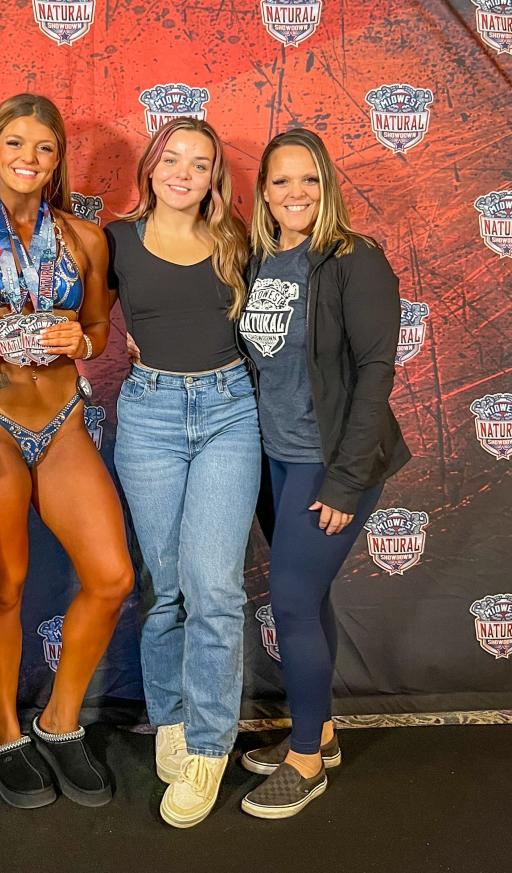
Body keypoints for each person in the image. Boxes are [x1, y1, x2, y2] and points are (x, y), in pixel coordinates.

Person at [0, 93, 134, 809]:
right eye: (15, 144)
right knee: (4, 586)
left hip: (65, 418)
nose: (28, 159)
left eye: (44, 148)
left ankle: (59, 721)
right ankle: (8, 733)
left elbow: (100, 327)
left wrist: (84, 341)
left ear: (57, 159)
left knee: (111, 577)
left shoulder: (85, 238)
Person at [237, 128, 410, 819]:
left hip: (330, 460)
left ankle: (304, 759)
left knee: (294, 601)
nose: (295, 193)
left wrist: (343, 480)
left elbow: (377, 372)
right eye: (281, 181)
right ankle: (324, 731)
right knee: (309, 598)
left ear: (328, 184)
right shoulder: (259, 258)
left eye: (308, 179)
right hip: (275, 458)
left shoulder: (353, 258)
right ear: (264, 192)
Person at [105, 118, 260, 828]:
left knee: (214, 585)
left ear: (213, 179)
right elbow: (71, 319)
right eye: (173, 158)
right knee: (162, 583)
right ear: (150, 165)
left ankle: (208, 742)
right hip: (149, 411)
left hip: (230, 411)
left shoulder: (236, 242)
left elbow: (277, 332)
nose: (184, 172)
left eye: (199, 164)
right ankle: (168, 715)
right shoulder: (114, 241)